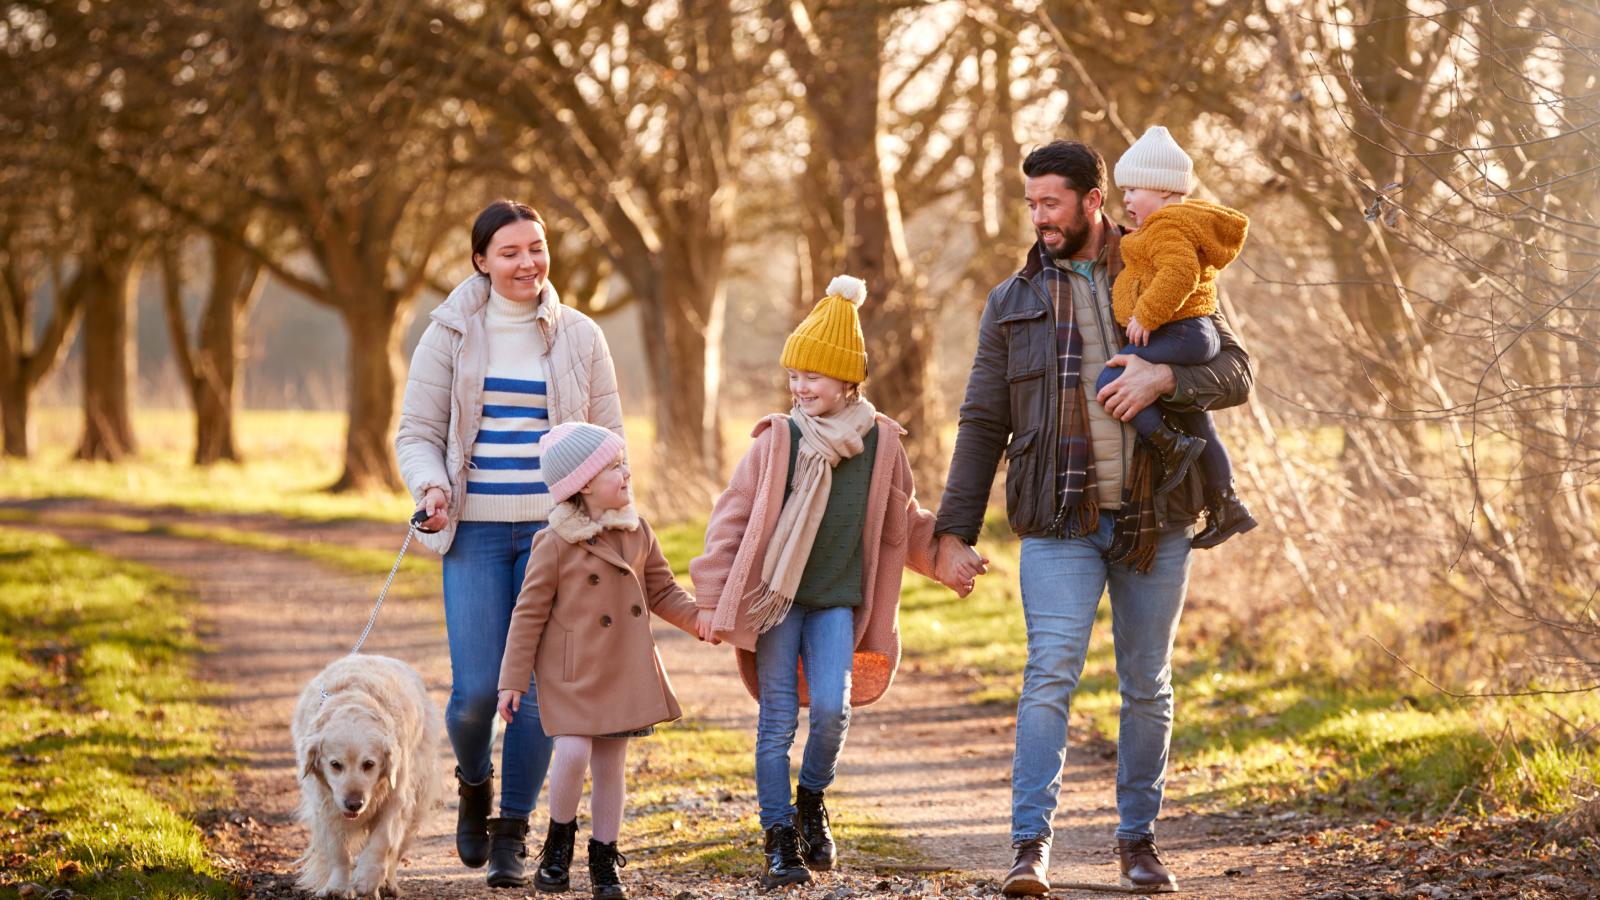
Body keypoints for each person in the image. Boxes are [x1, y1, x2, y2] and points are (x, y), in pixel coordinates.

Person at [933, 140, 1254, 896]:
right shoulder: (1011, 301)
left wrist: (1165, 376)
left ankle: (1137, 842)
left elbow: (1236, 371)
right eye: (1032, 205)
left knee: (1147, 684)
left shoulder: (1164, 262)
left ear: (1092, 201)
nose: (1040, 218)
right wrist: (953, 532)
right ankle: (1028, 848)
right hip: (1057, 522)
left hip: (1157, 517)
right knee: (1049, 675)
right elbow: (982, 421)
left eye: (1052, 203)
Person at [690, 275, 973, 889]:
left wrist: (946, 557)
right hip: (775, 602)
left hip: (837, 603)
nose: (800, 387)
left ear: (849, 381)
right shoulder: (778, 440)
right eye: (794, 376)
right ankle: (778, 838)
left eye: (813, 376)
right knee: (775, 722)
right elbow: (731, 516)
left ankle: (811, 799)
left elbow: (905, 522)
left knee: (833, 711)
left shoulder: (882, 445)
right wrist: (712, 599)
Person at [394, 199, 623, 888]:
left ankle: (512, 833)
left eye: (537, 248)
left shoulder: (582, 336)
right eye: (511, 252)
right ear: (481, 262)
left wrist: (615, 528)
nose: (529, 263)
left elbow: (611, 443)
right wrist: (432, 488)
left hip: (559, 535)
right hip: (476, 532)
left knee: (535, 693)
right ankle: (474, 779)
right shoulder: (449, 334)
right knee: (473, 695)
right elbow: (417, 434)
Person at [495, 422, 701, 900]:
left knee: (611, 765)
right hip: (572, 671)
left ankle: (605, 859)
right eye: (614, 467)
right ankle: (558, 844)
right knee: (571, 753)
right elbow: (527, 614)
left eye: (623, 463)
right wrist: (512, 680)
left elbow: (662, 589)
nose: (626, 473)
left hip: (623, 667)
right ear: (583, 484)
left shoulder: (637, 530)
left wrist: (699, 622)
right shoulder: (554, 541)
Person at [1097, 125, 1256, 548]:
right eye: (1123, 190)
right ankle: (1228, 504)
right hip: (1192, 331)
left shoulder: (1168, 226)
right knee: (1197, 418)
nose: (1126, 199)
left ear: (1166, 191)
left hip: (1183, 330)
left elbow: (1180, 273)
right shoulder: (1165, 228)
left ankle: (1169, 446)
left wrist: (1146, 317)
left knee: (1112, 378)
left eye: (1134, 189)